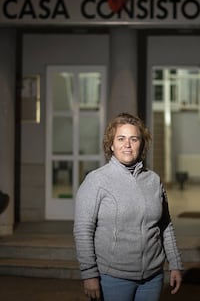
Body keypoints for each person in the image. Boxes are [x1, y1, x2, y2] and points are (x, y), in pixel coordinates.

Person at [73, 112, 183, 301]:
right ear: (111, 144)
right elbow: (83, 230)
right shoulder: (96, 181)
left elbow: (165, 226)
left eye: (134, 139)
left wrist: (175, 263)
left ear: (142, 144)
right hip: (113, 277)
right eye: (121, 138)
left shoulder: (153, 180)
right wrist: (89, 274)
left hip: (153, 277)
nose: (128, 144)